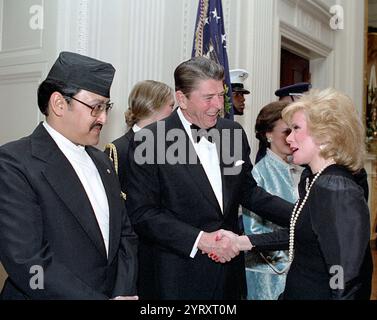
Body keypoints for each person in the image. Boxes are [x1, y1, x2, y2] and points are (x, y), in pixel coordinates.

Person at [125, 56, 293, 300]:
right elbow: (143, 214)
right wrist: (200, 240)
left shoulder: (232, 133)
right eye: (208, 98)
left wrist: (300, 213)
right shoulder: (149, 141)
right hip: (177, 277)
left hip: (229, 278)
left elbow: (248, 192)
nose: (218, 105)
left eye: (221, 95)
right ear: (181, 99)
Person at [0, 51, 138, 300]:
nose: (104, 118)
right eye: (96, 108)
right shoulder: (14, 162)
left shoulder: (103, 161)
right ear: (59, 104)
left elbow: (125, 237)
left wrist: (123, 293)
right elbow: (28, 263)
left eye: (106, 107)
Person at [217, 88, 373, 300]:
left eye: (296, 129)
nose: (289, 138)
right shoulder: (316, 180)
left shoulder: (337, 189)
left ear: (326, 136)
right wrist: (242, 242)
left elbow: (346, 275)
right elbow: (302, 233)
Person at [242, 101, 304, 300]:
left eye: (295, 130)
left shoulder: (301, 170)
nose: (292, 137)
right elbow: (254, 231)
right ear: (268, 135)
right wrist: (288, 264)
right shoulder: (258, 175)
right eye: (286, 131)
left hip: (297, 273)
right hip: (269, 275)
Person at [105, 80, 174, 194]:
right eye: (171, 106)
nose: (173, 112)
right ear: (154, 106)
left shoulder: (171, 147)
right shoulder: (117, 150)